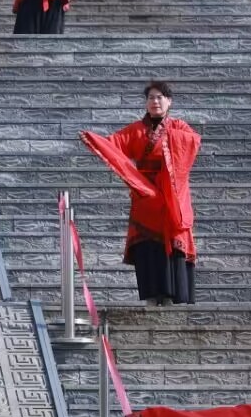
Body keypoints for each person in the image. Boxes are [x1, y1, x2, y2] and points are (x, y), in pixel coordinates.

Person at [81, 80, 200, 306]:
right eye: (150, 98)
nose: (155, 102)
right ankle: (152, 296)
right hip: (145, 197)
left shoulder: (180, 128)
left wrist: (171, 142)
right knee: (148, 247)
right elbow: (113, 144)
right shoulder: (135, 130)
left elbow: (192, 143)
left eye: (159, 97)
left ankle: (174, 297)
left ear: (169, 102)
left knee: (172, 243)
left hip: (170, 196)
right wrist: (94, 140)